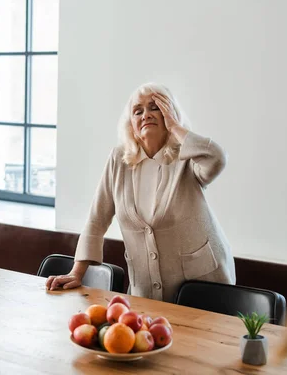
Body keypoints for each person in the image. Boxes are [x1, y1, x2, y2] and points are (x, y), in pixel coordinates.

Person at [46, 82, 236, 302]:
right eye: (138, 111)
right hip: (146, 292)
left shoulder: (187, 157)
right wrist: (75, 273)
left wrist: (175, 127)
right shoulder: (119, 160)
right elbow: (97, 220)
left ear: (170, 113)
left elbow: (218, 158)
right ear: (131, 126)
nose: (146, 114)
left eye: (155, 107)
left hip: (202, 288)